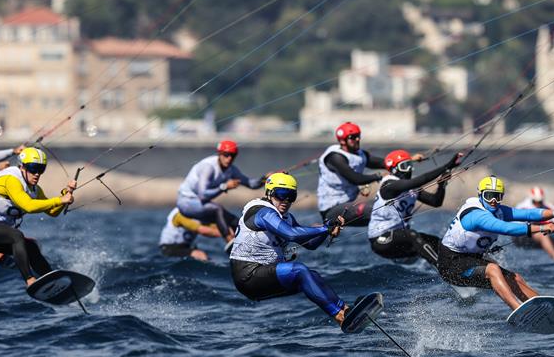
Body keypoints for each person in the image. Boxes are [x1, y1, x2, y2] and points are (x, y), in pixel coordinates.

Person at [230, 172, 350, 325]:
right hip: (248, 275)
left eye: (291, 196)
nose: (286, 200)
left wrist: (328, 227)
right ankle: (338, 316)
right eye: (281, 194)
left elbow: (310, 244)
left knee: (312, 276)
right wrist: (324, 229)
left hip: (264, 275)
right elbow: (292, 235)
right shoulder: (263, 212)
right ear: (269, 193)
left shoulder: (286, 218)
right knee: (299, 270)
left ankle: (345, 311)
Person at [437, 176, 554, 310]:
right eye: (489, 195)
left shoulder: (498, 210)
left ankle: (546, 310)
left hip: (471, 260)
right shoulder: (476, 215)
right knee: (493, 269)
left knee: (515, 278)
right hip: (450, 264)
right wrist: (543, 227)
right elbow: (506, 228)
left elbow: (527, 214)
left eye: (497, 196)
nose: (493, 201)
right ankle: (519, 309)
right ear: (480, 195)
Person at [0, 147, 76, 287]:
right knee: (17, 236)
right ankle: (29, 281)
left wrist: (66, 193)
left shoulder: (35, 189)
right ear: (21, 166)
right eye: (33, 168)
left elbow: (53, 212)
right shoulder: (11, 179)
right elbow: (28, 206)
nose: (36, 174)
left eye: (41, 169)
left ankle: (53, 282)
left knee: (31, 248)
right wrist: (60, 200)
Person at [317, 122, 425, 226]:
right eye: (353, 137)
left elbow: (386, 163)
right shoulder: (335, 157)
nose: (357, 139)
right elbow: (355, 178)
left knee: (390, 210)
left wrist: (409, 159)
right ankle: (324, 227)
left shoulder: (361, 154)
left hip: (349, 204)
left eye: (358, 136)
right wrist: (378, 176)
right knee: (380, 210)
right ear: (343, 141)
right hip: (331, 209)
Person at [368, 150, 462, 266]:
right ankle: (443, 269)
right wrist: (447, 166)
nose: (409, 170)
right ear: (393, 170)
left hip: (400, 241)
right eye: (404, 166)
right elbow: (419, 180)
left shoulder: (411, 188)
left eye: (410, 165)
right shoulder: (389, 185)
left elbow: (435, 202)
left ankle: (461, 265)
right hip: (380, 241)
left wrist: (441, 185)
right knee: (412, 235)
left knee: (437, 242)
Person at [177, 140, 265, 244]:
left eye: (232, 156)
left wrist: (265, 179)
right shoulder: (208, 167)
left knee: (235, 221)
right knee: (217, 209)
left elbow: (251, 184)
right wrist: (224, 187)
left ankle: (249, 243)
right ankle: (230, 240)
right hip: (186, 203)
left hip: (202, 205)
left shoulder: (231, 169)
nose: (229, 159)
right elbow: (203, 196)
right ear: (219, 154)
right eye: (226, 155)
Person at [514, 187, 554, 259]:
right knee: (543, 236)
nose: (538, 204)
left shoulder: (544, 204)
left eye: (540, 202)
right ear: (531, 199)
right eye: (535, 201)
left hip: (532, 233)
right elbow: (537, 219)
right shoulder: (524, 206)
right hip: (519, 235)